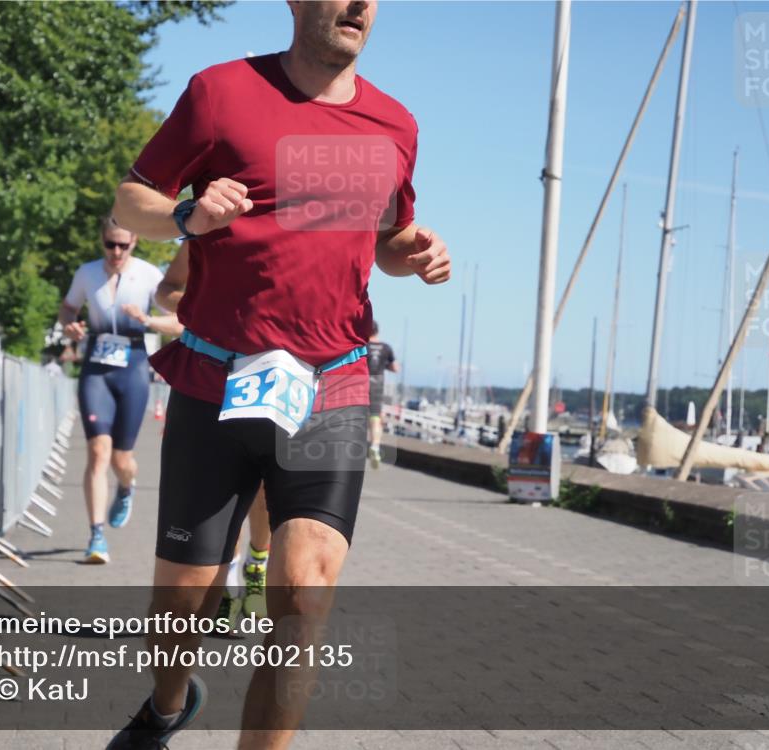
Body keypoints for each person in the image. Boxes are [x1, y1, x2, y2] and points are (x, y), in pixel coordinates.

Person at [109, 1, 450, 747]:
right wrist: (193, 215)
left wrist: (413, 253)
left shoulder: (396, 125)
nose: (359, 4)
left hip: (333, 380)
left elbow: (387, 238)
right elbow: (132, 200)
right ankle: (165, 708)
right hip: (217, 375)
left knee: (304, 591)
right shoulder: (220, 92)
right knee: (181, 603)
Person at [156, 243, 273, 624]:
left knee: (264, 496)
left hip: (285, 381)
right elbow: (167, 289)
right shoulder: (217, 217)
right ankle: (227, 577)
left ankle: (256, 564)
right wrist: (201, 306)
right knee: (230, 492)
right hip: (218, 377)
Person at [58, 218, 181, 564]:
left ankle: (126, 486)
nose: (115, 253)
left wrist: (149, 321)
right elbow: (68, 306)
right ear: (102, 242)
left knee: (121, 459)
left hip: (133, 367)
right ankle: (96, 537)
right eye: (109, 245)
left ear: (135, 242)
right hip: (96, 366)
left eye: (122, 246)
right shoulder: (87, 273)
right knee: (98, 452)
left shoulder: (149, 275)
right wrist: (69, 324)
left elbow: (180, 320)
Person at [366, 320, 399, 468]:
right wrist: (384, 364)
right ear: (378, 331)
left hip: (360, 383)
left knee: (357, 414)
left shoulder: (363, 346)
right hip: (377, 385)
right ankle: (375, 446)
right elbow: (395, 368)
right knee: (375, 417)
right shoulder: (386, 348)